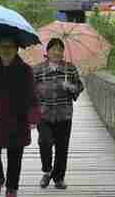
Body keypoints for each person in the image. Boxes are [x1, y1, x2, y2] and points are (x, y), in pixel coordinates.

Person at [0, 37, 40, 197]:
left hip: (17, 117)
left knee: (15, 155)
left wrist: (33, 117)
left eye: (10, 46)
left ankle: (12, 188)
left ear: (16, 48)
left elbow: (31, 94)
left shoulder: (25, 70)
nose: (6, 49)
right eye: (2, 46)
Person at [33, 38, 84, 190]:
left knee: (62, 148)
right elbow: (30, 89)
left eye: (60, 50)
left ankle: (59, 178)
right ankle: (47, 171)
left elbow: (80, 86)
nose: (56, 52)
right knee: (44, 142)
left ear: (63, 53)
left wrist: (71, 87)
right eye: (53, 49)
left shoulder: (70, 68)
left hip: (64, 114)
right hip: (43, 114)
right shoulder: (37, 69)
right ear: (47, 52)